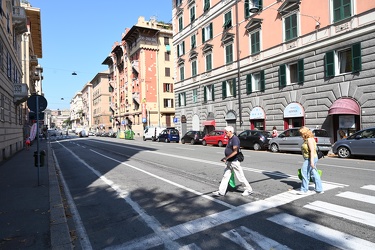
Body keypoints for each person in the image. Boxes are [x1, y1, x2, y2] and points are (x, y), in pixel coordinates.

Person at [212, 126, 253, 197]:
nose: (225, 133)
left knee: (240, 177)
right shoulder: (230, 139)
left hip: (234, 161)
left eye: (226, 132)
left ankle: (249, 190)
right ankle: (221, 192)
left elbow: (235, 151)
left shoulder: (235, 139)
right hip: (230, 162)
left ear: (230, 132)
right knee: (225, 176)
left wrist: (226, 158)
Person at [297, 126, 323, 195]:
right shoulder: (308, 139)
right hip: (311, 158)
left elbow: (312, 151)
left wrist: (311, 162)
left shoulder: (309, 140)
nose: (301, 135)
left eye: (301, 134)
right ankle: (319, 189)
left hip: (310, 158)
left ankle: (304, 189)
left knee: (304, 173)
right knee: (314, 173)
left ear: (305, 133)